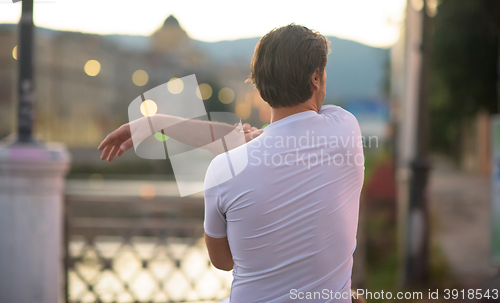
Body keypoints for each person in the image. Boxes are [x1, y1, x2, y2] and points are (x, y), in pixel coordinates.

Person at [99, 24, 365, 302]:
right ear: (315, 78)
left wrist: (156, 123)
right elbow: (269, 138)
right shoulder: (345, 129)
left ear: (260, 86)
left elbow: (223, 261)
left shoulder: (223, 169)